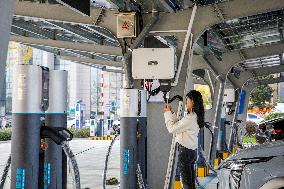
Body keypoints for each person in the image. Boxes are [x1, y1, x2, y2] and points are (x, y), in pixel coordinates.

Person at [164, 90, 205, 189]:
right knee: (190, 183)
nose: (186, 102)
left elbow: (172, 129)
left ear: (193, 102)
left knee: (187, 184)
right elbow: (179, 125)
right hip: (191, 152)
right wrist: (172, 113)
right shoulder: (194, 117)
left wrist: (167, 113)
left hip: (185, 152)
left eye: (188, 100)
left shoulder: (190, 118)